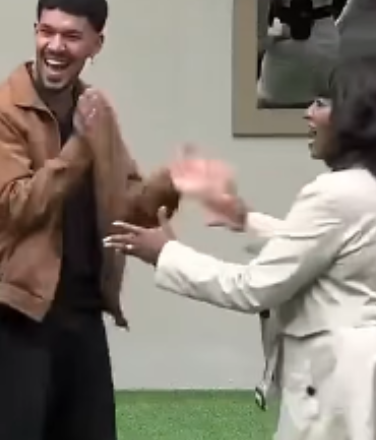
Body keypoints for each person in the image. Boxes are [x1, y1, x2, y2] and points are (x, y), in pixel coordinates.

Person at [0, 0, 180, 440]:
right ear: (35, 31)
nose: (55, 47)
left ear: (97, 43)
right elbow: (19, 205)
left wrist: (172, 184)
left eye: (72, 36)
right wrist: (79, 146)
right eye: (47, 31)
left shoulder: (95, 110)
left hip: (81, 316)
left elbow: (126, 201)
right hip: (12, 315)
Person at [106, 56, 376, 440]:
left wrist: (166, 254)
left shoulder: (334, 194)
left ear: (352, 117)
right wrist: (247, 220)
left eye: (321, 102)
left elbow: (252, 288)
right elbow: (333, 248)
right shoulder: (364, 189)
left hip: (334, 384)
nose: (308, 113)